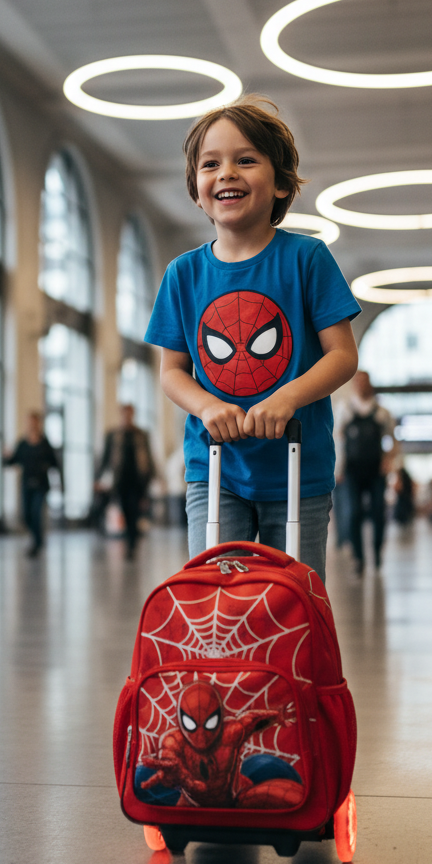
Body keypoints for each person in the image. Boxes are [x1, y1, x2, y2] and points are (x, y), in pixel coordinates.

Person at [144, 95, 360, 586]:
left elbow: (343, 356)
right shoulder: (184, 274)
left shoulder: (307, 259)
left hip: (298, 467)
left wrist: (286, 398)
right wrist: (206, 407)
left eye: (246, 160)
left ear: (281, 182)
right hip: (214, 468)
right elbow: (172, 371)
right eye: (210, 164)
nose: (226, 174)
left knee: (296, 600)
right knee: (216, 595)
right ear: (197, 191)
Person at [335, 370, 395, 574]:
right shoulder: (344, 410)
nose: (361, 385)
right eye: (358, 381)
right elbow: (338, 440)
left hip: (376, 470)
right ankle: (358, 558)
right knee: (353, 513)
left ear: (370, 385)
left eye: (365, 382)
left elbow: (393, 441)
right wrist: (338, 468)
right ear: (353, 385)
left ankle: (377, 552)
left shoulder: (381, 413)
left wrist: (388, 460)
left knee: (379, 512)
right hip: (352, 470)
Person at [96, 404, 156, 558]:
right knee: (125, 510)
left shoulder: (141, 435)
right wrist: (97, 478)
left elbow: (149, 458)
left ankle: (131, 544)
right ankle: (130, 540)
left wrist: (152, 477)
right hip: (120, 481)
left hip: (138, 481)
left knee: (135, 511)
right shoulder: (113, 435)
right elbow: (105, 459)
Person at [4, 411, 60, 556]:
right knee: (26, 515)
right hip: (26, 484)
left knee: (36, 513)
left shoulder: (44, 443)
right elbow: (12, 461)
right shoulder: (22, 443)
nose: (31, 425)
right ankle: (37, 538)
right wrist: (5, 456)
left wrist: (60, 482)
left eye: (34, 421)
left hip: (41, 485)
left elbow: (55, 463)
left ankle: (37, 542)